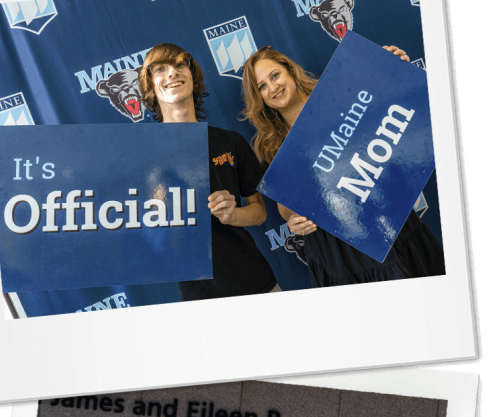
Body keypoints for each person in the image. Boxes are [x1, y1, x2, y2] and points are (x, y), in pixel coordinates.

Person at [240, 45, 445, 286]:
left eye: (274, 75)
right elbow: (285, 208)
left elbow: (391, 119)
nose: (273, 87)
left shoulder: (339, 96)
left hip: (385, 220)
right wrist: (293, 220)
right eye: (262, 86)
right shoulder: (272, 143)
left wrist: (392, 68)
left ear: (290, 70)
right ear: (259, 98)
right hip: (339, 250)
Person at [138, 43, 280, 300]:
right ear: (150, 85)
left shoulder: (230, 142)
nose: (172, 73)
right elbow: (147, 244)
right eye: (161, 68)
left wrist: (233, 214)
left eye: (181, 64)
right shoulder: (143, 160)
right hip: (199, 298)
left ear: (193, 76)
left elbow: (259, 213)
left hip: (257, 282)